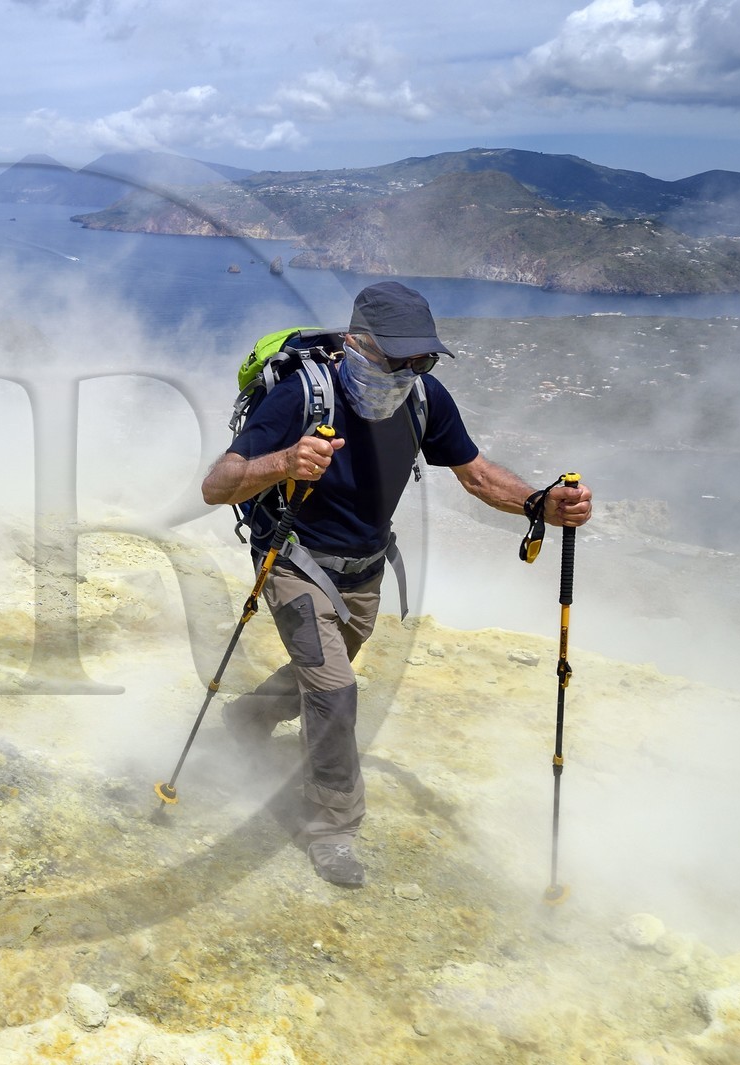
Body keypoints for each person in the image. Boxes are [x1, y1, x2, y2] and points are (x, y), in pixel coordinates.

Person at [200, 281, 593, 888]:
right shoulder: (303, 396)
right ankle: (333, 829)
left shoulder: (422, 397)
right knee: (335, 691)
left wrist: (541, 503)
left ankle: (248, 720)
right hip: (295, 562)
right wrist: (282, 462)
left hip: (365, 570)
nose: (413, 369)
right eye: (400, 357)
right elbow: (218, 483)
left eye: (424, 358)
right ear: (357, 344)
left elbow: (480, 477)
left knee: (326, 674)